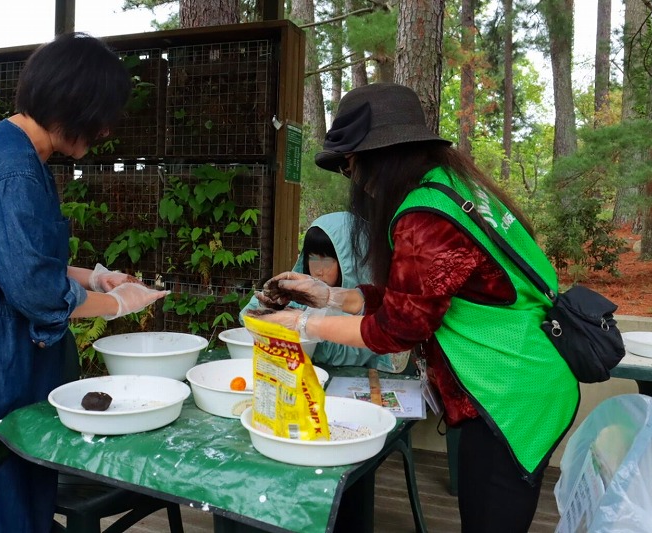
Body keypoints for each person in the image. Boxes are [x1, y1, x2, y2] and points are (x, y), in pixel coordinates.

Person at [255, 83, 579, 532]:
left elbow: (397, 329)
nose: (356, 181)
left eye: (352, 166)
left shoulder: (425, 216)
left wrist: (303, 323)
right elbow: (416, 300)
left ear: (381, 156)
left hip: (508, 390)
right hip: (518, 374)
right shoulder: (453, 186)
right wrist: (329, 295)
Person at [0, 33, 168, 532]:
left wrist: (96, 276)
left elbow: (16, 261)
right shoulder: (9, 169)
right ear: (74, 104)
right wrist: (116, 305)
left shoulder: (13, 155)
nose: (106, 130)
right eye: (102, 116)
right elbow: (37, 290)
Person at [242, 211, 409, 372]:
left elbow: (347, 353)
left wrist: (303, 325)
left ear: (351, 260)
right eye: (312, 258)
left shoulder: (373, 309)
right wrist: (268, 305)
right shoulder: (302, 295)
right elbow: (245, 317)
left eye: (327, 259)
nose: (319, 270)